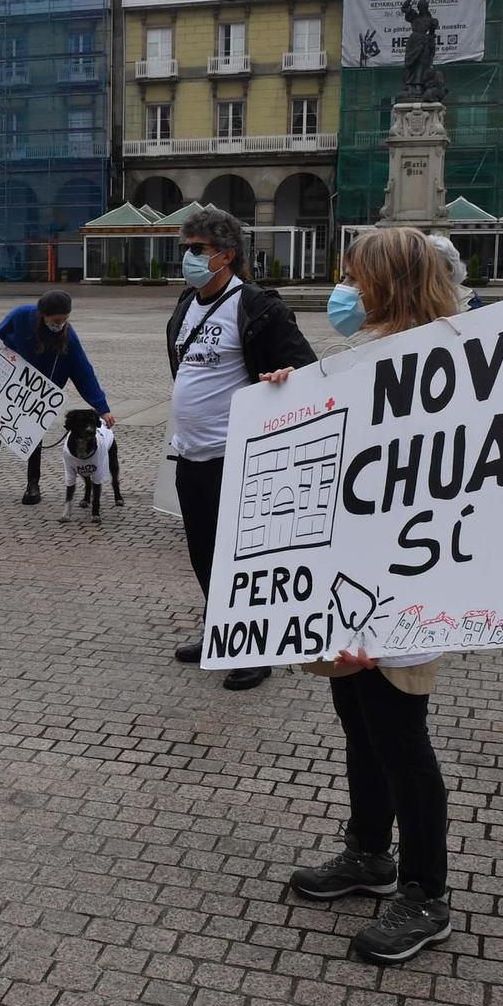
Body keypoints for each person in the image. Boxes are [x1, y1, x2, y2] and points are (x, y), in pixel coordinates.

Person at [289, 227, 463, 965]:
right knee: (358, 722)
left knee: (401, 739)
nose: (345, 289)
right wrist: (289, 399)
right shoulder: (359, 358)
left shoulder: (452, 359)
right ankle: (368, 850)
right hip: (350, 586)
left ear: (387, 282)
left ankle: (426, 890)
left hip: (408, 589)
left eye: (355, 277)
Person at [166, 205, 316, 691]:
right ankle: (221, 631)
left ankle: (255, 649)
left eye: (196, 250)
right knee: (204, 554)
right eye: (184, 248)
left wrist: (283, 377)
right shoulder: (186, 305)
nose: (187, 258)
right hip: (190, 455)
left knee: (241, 560)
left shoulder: (255, 305)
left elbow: (303, 368)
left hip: (237, 458)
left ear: (225, 255)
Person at [0, 290, 115, 505]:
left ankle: (32, 484)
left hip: (39, 392)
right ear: (42, 315)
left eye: (64, 320)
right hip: (11, 381)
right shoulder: (21, 315)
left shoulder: (69, 337)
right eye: (55, 320)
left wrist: (102, 407)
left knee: (32, 433)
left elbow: (83, 372)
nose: (60, 324)